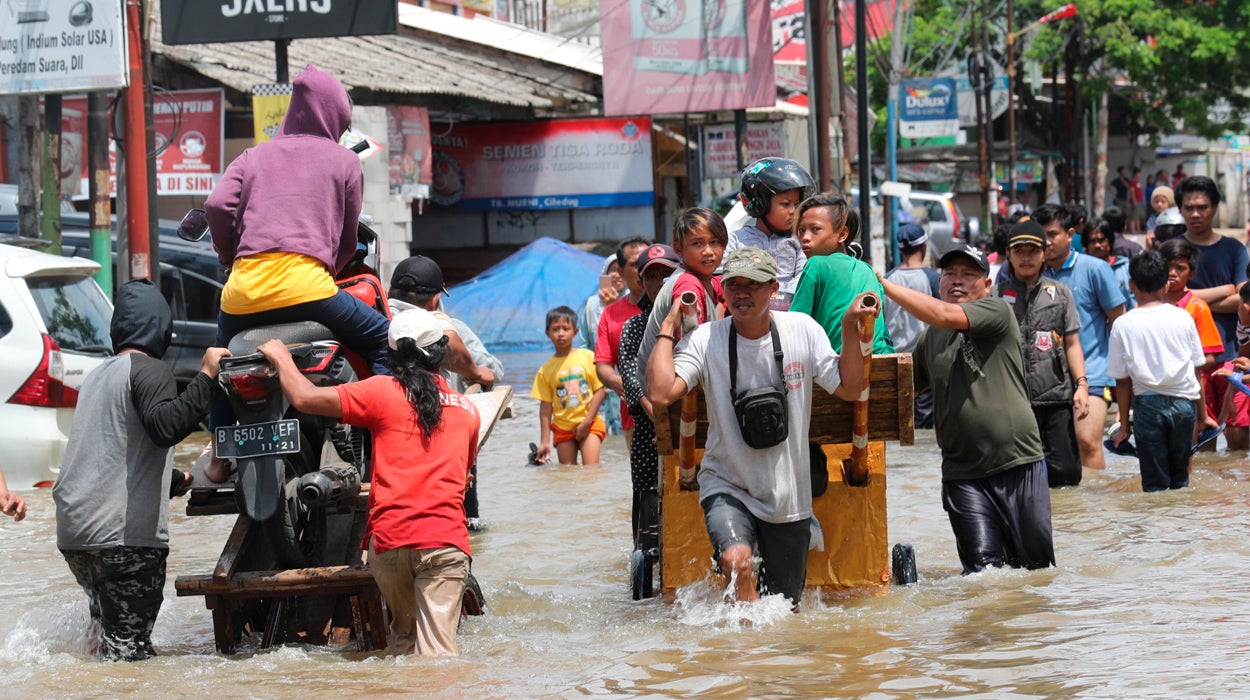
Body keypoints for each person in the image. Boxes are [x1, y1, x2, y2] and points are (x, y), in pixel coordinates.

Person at [646, 247, 877, 608]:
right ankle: (744, 647)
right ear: (724, 290)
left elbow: (849, 387)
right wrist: (666, 328)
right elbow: (661, 393)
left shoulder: (802, 329)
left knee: (784, 609)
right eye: (734, 284)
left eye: (752, 285)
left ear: (773, 289)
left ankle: (761, 654)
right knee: (736, 562)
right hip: (727, 483)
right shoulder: (707, 338)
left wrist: (849, 325)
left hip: (789, 497)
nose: (742, 293)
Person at [256, 309, 480, 656]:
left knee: (403, 643)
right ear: (440, 354)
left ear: (393, 353)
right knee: (438, 655)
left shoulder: (381, 391)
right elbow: (463, 477)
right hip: (442, 543)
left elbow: (303, 398)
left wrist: (282, 358)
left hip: (389, 543)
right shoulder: (468, 410)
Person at [203, 65, 391, 477]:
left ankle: (219, 456)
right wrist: (329, 264)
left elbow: (217, 206)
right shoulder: (344, 162)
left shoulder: (253, 155)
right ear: (334, 117)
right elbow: (346, 237)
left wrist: (230, 256)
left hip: (242, 295)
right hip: (310, 290)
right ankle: (385, 450)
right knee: (382, 340)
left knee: (219, 359)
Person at [54, 280, 229, 661]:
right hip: (124, 544)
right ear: (162, 328)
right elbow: (166, 426)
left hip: (77, 538)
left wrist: (175, 480)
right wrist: (207, 375)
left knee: (106, 641)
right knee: (129, 661)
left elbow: (112, 456)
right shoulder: (149, 369)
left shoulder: (97, 377)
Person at [878, 244, 1055, 574]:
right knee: (983, 575)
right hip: (962, 473)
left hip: (1016, 461)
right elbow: (899, 391)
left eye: (968, 274)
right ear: (939, 282)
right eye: (950, 274)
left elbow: (945, 314)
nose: (957, 281)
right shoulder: (931, 337)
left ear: (986, 285)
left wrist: (882, 284)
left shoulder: (998, 311)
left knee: (1035, 571)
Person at [388, 254, 500, 531]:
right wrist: (477, 373)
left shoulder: (377, 316)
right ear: (436, 298)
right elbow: (490, 368)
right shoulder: (444, 324)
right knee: (464, 517)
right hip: (439, 425)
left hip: (387, 429)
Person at [992, 220, 1088, 487]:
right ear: (1008, 254)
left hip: (1056, 396)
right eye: (1019, 251)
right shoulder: (995, 296)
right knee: (1017, 476)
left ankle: (1070, 526)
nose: (1026, 257)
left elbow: (1072, 344)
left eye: (1032, 251)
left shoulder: (1060, 294)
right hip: (1012, 400)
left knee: (1066, 474)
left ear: (1044, 253)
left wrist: (1081, 385)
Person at [1036, 203, 1126, 471]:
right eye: (1042, 236)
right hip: (1046, 378)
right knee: (1050, 452)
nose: (1047, 242)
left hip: (1095, 372)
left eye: (1052, 234)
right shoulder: (1030, 272)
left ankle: (1095, 510)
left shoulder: (1096, 269)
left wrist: (1125, 390)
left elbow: (1119, 325)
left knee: (1087, 440)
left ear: (1070, 234)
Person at [1107, 251, 1205, 492]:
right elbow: (1196, 371)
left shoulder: (1123, 323)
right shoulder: (1183, 317)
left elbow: (1121, 381)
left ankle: (1156, 526)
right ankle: (1182, 526)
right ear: (1165, 284)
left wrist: (1124, 427)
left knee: (1154, 483)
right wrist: (1202, 416)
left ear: (1131, 285)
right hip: (1184, 405)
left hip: (1147, 407)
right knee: (1180, 478)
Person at [617, 243, 682, 553]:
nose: (660, 282)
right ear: (642, 283)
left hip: (691, 424)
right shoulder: (633, 326)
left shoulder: (697, 318)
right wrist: (659, 421)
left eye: (667, 274)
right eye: (652, 276)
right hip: (647, 428)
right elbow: (631, 381)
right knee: (647, 501)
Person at [1178, 176, 1250, 450]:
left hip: (1233, 355)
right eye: (1189, 208)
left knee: (1239, 437)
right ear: (1181, 210)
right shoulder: (1172, 250)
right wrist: (1224, 290)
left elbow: (1244, 301)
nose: (1196, 214)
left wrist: (1190, 300)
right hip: (1190, 360)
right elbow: (1163, 300)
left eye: (1203, 207)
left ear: (1215, 207)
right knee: (1201, 440)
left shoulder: (1233, 249)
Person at [636, 207, 728, 393]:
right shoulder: (688, 285)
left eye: (714, 242)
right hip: (673, 394)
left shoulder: (706, 278)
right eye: (697, 244)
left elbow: (722, 291)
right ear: (678, 249)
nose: (708, 251)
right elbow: (692, 354)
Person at [790, 193, 893, 354]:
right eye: (801, 230)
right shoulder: (866, 269)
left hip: (836, 368)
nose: (805, 237)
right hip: (880, 360)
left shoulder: (815, 265)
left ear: (842, 234)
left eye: (815, 229)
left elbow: (795, 326)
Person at [1158, 237, 1224, 440]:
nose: (1172, 273)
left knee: (1198, 450)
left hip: (1194, 392)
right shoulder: (1148, 305)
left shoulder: (1197, 307)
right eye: (1168, 267)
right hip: (1155, 390)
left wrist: (1176, 364)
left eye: (1180, 268)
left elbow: (1212, 357)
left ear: (1192, 273)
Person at [726, 157, 816, 303]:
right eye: (785, 204)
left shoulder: (799, 241)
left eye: (796, 204)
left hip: (791, 314)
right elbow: (726, 279)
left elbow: (802, 276)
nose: (793, 211)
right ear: (760, 203)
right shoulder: (736, 240)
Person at [594, 238, 652, 453]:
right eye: (636, 264)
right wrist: (620, 382)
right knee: (645, 483)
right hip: (633, 416)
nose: (644, 269)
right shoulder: (610, 314)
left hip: (677, 409)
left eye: (649, 261)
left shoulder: (672, 305)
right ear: (619, 270)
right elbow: (602, 365)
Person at [532, 306, 608, 465]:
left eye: (566, 328)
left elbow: (600, 391)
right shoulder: (545, 370)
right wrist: (544, 442)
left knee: (591, 470)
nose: (560, 333)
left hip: (590, 423)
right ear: (547, 333)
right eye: (555, 329)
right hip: (563, 428)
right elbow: (545, 409)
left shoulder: (588, 357)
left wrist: (586, 423)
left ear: (575, 331)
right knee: (567, 473)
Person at [883, 222, 940, 428]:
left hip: (894, 362)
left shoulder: (887, 280)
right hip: (925, 363)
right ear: (923, 247)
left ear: (900, 249)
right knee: (924, 425)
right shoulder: (933, 279)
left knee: (898, 423)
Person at [1083, 218, 1135, 311]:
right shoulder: (1081, 270)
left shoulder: (1125, 268)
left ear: (1110, 241)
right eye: (1092, 241)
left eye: (1101, 240)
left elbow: (1134, 299)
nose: (1097, 245)